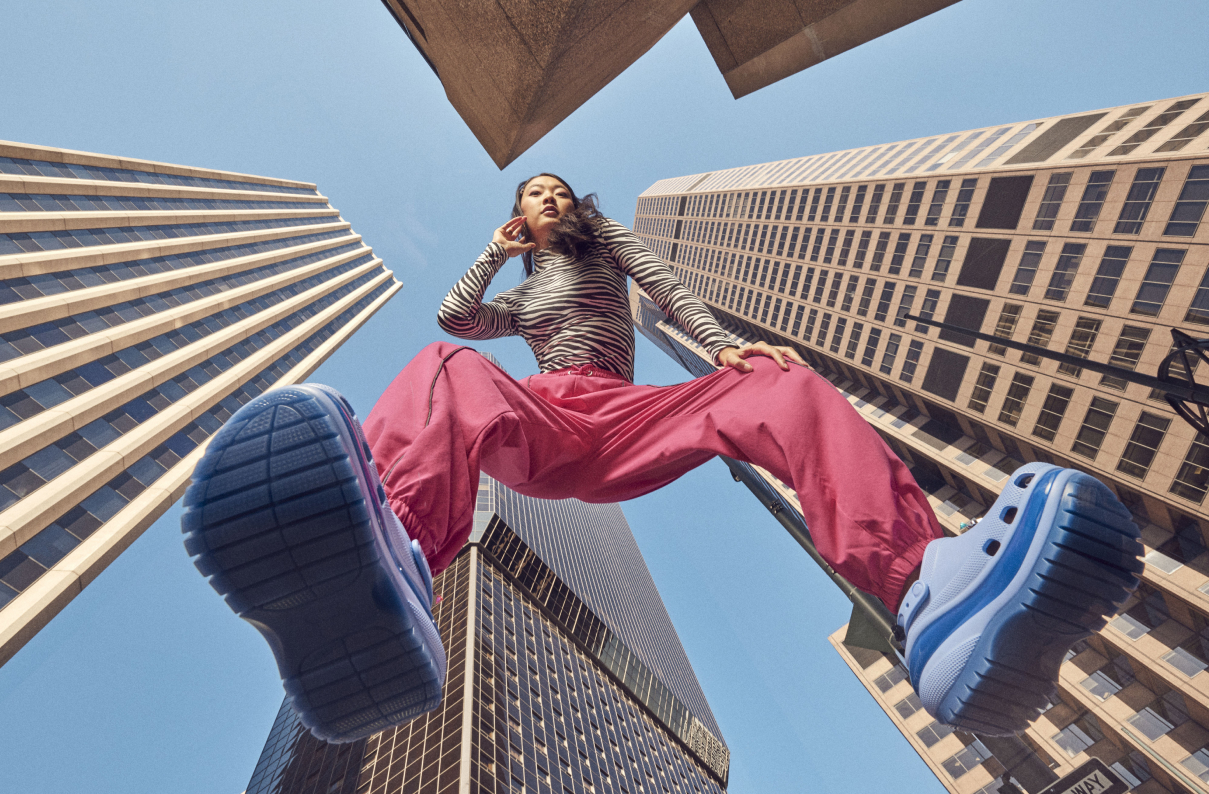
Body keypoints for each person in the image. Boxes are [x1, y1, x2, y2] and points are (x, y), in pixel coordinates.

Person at [182, 174, 1144, 743]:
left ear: (578, 206)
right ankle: (394, 567)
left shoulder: (610, 252)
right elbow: (454, 318)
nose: (549, 199)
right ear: (522, 222)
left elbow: (670, 285)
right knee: (446, 367)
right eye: (533, 198)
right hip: (543, 419)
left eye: (558, 191)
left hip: (633, 418)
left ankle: (927, 593)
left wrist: (723, 347)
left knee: (786, 387)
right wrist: (490, 246)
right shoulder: (519, 294)